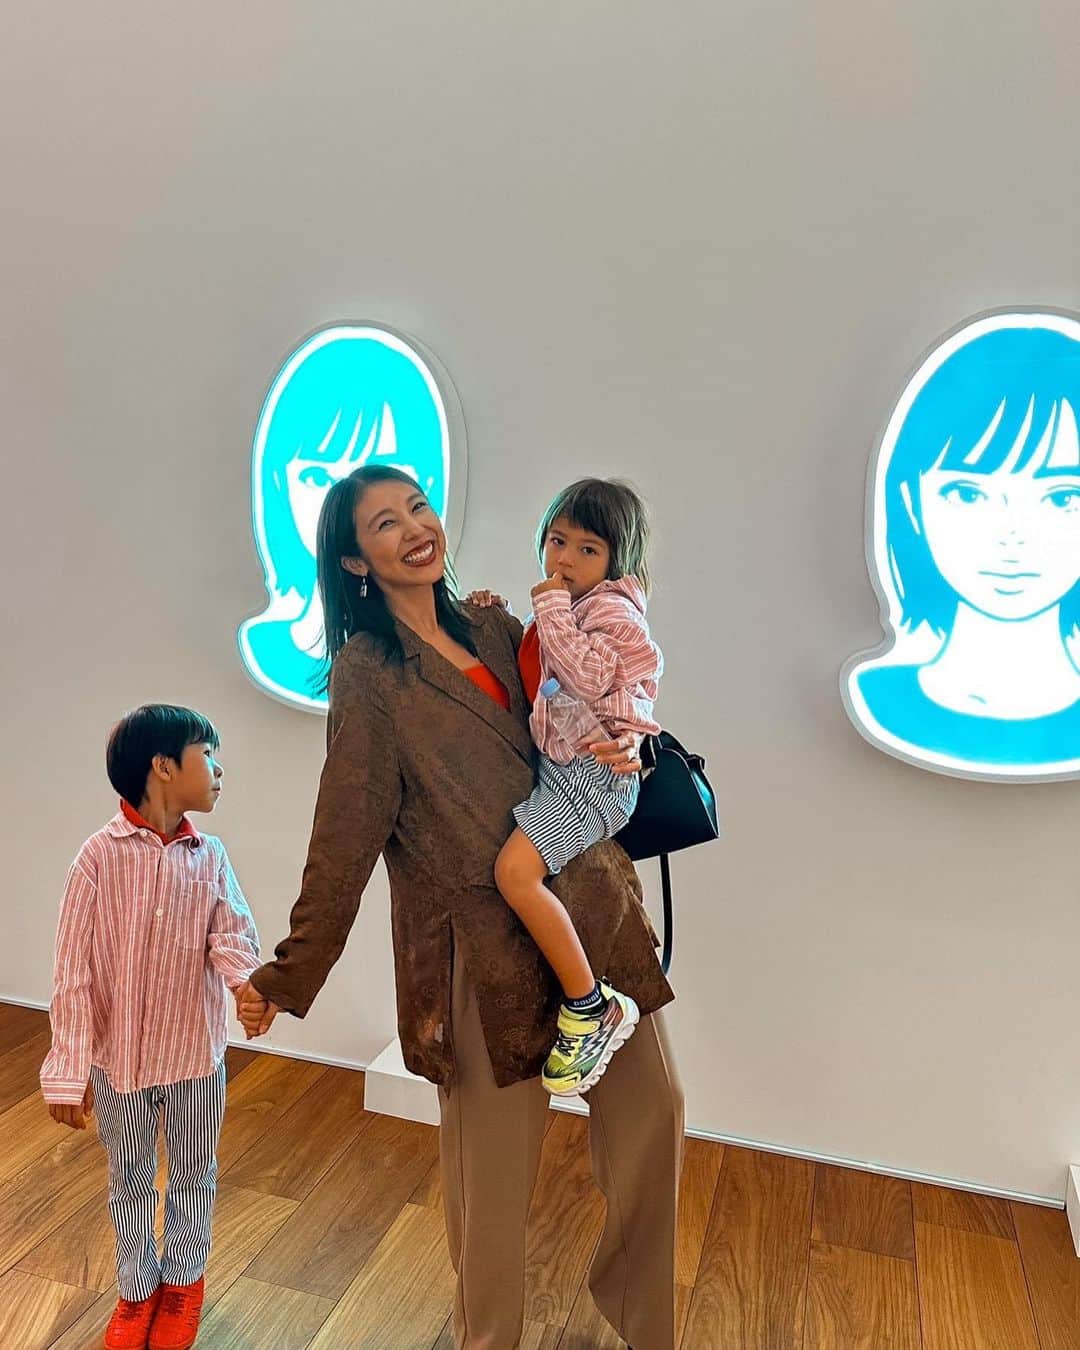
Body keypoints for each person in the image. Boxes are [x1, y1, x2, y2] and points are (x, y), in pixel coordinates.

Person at [238, 465, 684, 1350]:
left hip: (592, 917)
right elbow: (345, 833)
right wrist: (289, 974)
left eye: (418, 507)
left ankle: (646, 1326)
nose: (414, 528)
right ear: (355, 561)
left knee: (655, 1116)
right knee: (493, 1188)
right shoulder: (368, 677)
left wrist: (631, 744)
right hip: (483, 954)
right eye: (384, 524)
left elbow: (597, 702)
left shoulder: (497, 625)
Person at [40, 705, 260, 1350]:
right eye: (207, 755)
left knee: (194, 1173)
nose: (219, 770)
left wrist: (249, 988)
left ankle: (184, 1286)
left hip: (194, 1057)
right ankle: (136, 1291)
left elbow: (231, 934)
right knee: (130, 1178)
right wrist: (68, 1068)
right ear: (163, 766)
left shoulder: (210, 855)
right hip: (120, 1064)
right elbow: (72, 971)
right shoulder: (97, 858)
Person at [471, 478, 663, 1097]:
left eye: (588, 549)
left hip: (594, 776)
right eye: (557, 541)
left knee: (514, 873)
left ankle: (590, 1007)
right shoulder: (569, 611)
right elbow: (538, 675)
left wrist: (549, 608)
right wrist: (501, 615)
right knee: (515, 873)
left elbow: (585, 677)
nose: (566, 559)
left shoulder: (612, 612)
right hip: (566, 767)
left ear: (617, 559)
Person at [844, 313, 1080, 778]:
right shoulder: (879, 701)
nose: (1013, 534)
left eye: (1061, 497)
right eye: (969, 494)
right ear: (910, 503)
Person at [238, 323, 458, 711]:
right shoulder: (357, 669)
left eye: (415, 506)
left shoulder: (488, 628)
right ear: (278, 485)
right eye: (316, 476)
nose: (412, 529)